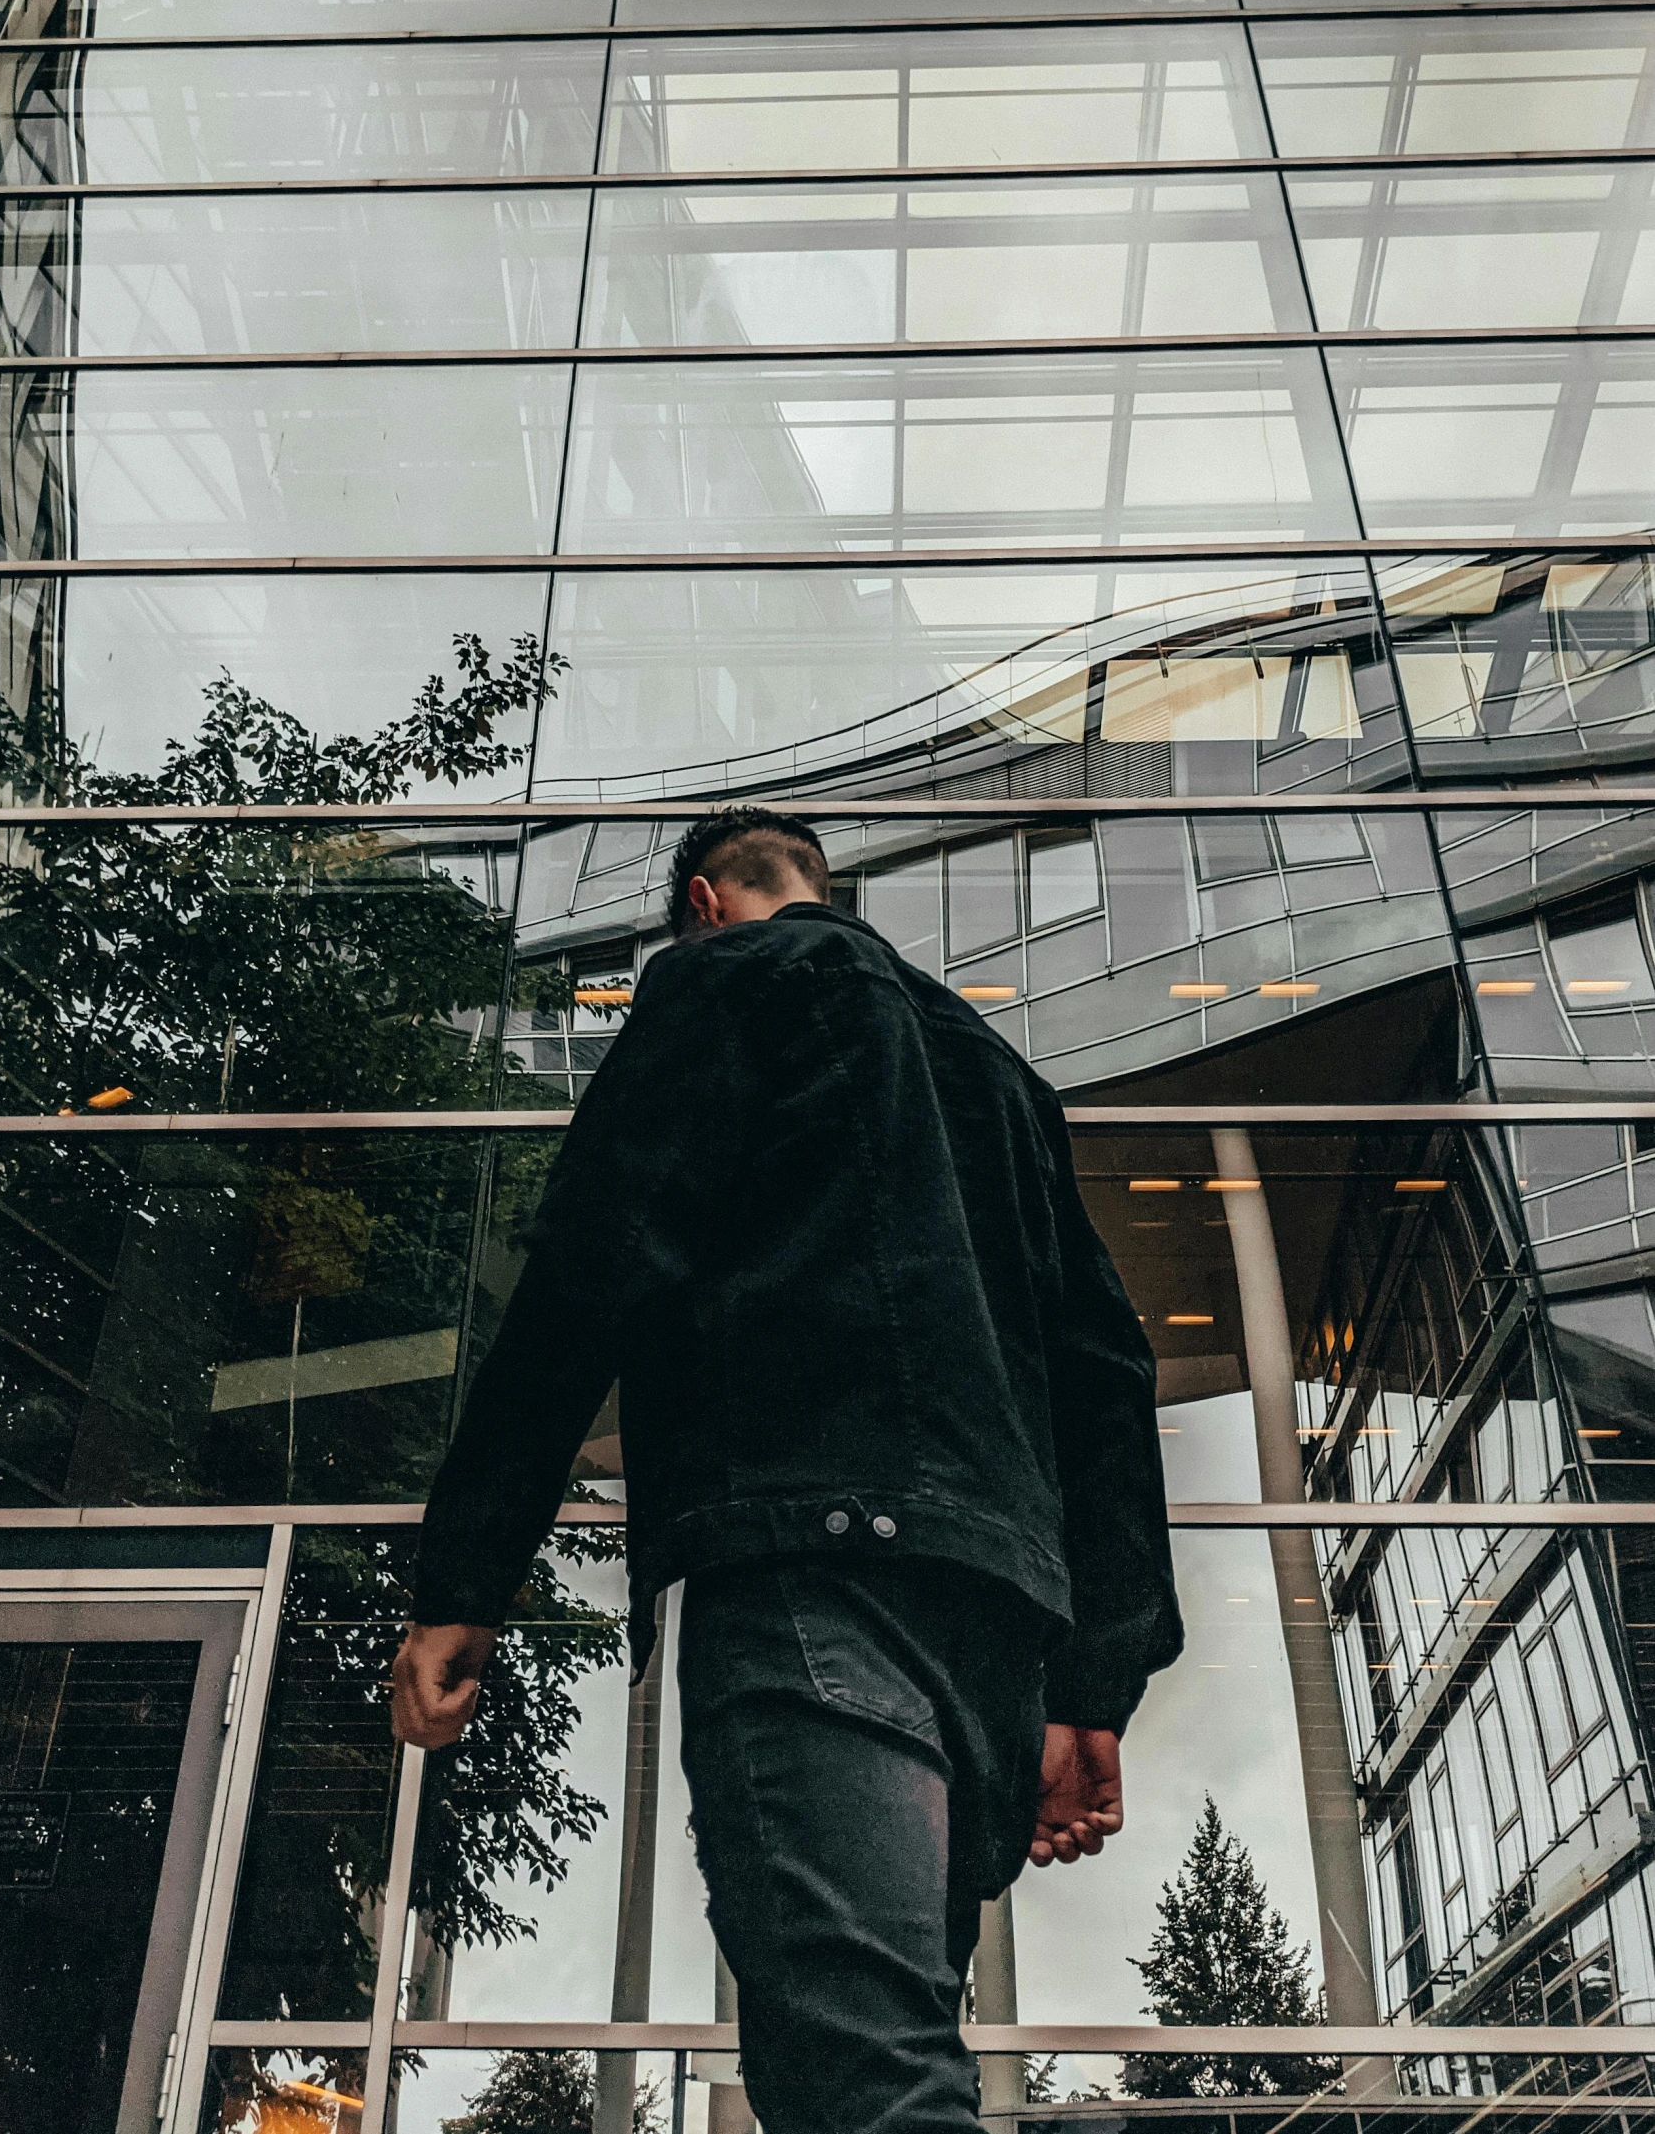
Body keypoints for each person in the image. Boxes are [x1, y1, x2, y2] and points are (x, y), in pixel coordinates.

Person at [393, 806, 1183, 2133]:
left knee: (860, 2087)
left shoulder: (721, 980)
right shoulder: (991, 1069)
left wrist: (466, 1574)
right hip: (991, 1627)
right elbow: (1104, 1375)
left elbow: (594, 1260)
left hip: (813, 1576)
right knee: (879, 2059)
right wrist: (1089, 1684)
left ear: (702, 903)